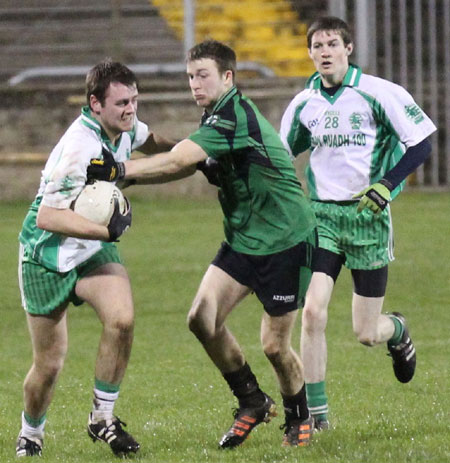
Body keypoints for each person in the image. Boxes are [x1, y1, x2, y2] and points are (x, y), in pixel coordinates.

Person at [87, 39, 318, 448]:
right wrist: (130, 177)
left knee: (274, 346)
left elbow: (179, 159)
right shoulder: (214, 119)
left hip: (286, 240)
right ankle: (252, 400)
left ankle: (300, 416)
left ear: (228, 78)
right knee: (202, 318)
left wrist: (120, 167)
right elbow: (188, 162)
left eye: (203, 75)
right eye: (190, 76)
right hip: (245, 239)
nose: (194, 84)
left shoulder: (234, 115)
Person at [279, 16, 437, 430]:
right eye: (317, 46)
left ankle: (397, 329)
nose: (325, 52)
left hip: (368, 218)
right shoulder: (303, 104)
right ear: (310, 53)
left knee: (366, 332)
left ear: (348, 49)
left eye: (332, 44)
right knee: (312, 312)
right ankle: (317, 417)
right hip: (322, 217)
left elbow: (421, 142)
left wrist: (386, 185)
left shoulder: (378, 92)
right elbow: (281, 157)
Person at [16, 59, 176, 457]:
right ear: (95, 104)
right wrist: (108, 230)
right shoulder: (79, 148)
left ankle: (102, 418)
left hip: (89, 247)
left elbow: (152, 141)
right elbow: (48, 217)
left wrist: (192, 154)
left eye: (134, 100)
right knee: (49, 365)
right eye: (122, 102)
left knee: (121, 319)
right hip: (45, 253)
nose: (131, 109)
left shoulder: (123, 127)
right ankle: (30, 433)